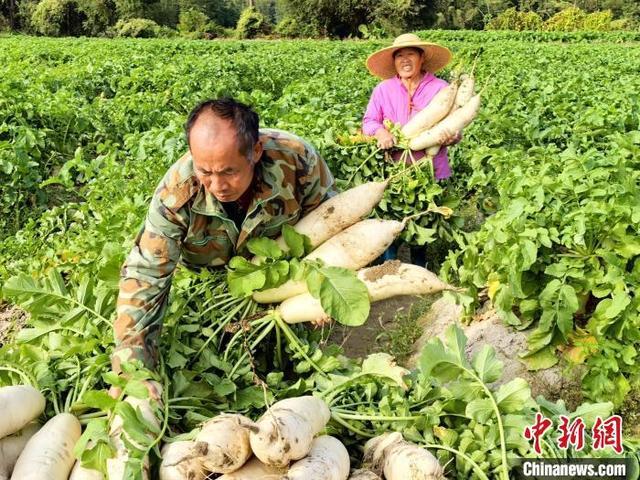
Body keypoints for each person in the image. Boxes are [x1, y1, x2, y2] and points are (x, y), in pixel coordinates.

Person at [110, 97, 335, 396]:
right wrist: (132, 365)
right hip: (210, 272)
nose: (217, 186)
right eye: (205, 172)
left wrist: (315, 289)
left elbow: (330, 223)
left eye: (229, 172)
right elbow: (147, 275)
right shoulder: (176, 192)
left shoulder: (296, 159)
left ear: (255, 152)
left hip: (281, 268)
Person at [362, 33, 461, 267]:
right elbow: (368, 122)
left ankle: (419, 267)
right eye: (400, 56)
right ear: (394, 61)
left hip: (429, 169)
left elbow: (456, 127)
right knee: (389, 219)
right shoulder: (383, 90)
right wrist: (381, 133)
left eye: (411, 55)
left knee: (423, 222)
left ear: (422, 58)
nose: (405, 60)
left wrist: (451, 136)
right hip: (392, 168)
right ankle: (389, 266)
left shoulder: (441, 89)